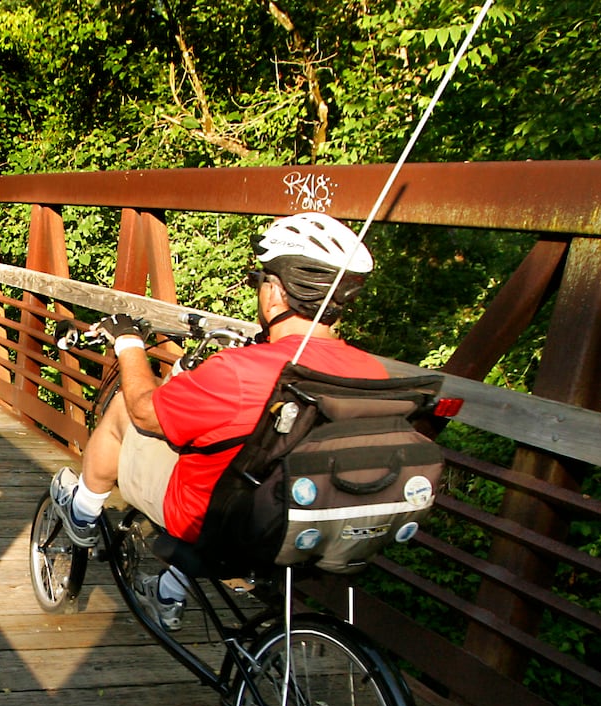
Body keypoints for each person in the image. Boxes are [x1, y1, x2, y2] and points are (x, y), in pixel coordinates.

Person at [49, 212, 388, 631]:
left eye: (259, 279)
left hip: (224, 525)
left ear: (277, 292)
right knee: (239, 469)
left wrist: (129, 343)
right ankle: (169, 592)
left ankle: (81, 511)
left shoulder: (240, 371)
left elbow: (145, 411)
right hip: (314, 523)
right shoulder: (375, 374)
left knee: (124, 409)